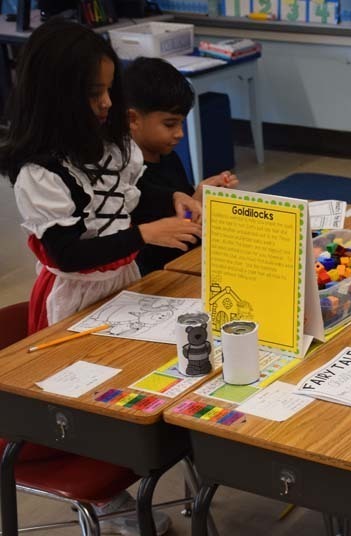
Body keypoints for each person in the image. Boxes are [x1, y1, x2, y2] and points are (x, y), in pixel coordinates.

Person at [0, 19, 200, 534]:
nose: (107, 103)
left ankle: (154, 461)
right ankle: (111, 498)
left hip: (123, 281)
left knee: (140, 376)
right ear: (57, 96)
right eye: (94, 93)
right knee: (95, 399)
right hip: (73, 297)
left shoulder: (108, 144)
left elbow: (127, 200)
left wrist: (171, 199)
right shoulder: (39, 172)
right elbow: (69, 253)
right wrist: (146, 233)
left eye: (110, 90)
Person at [124, 57, 239, 275]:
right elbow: (154, 248)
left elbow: (186, 221)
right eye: (170, 124)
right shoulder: (126, 176)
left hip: (187, 261)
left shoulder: (169, 158)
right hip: (158, 273)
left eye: (181, 123)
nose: (180, 134)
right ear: (133, 119)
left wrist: (199, 198)